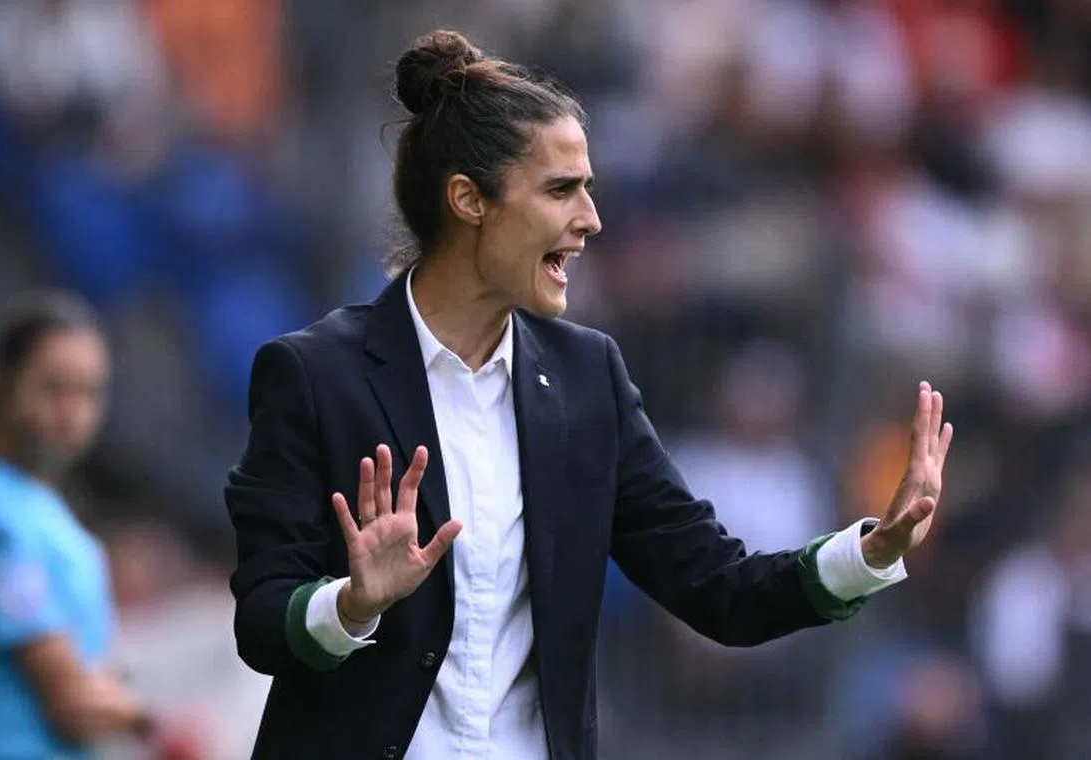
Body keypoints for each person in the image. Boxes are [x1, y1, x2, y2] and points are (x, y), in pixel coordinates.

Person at [225, 30, 955, 760]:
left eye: (588, 188)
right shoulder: (315, 375)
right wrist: (351, 606)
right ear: (468, 200)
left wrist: (868, 552)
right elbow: (262, 620)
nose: (591, 219)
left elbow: (718, 589)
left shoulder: (587, 378)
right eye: (560, 190)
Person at [0, 293, 170, 759]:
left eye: (88, 392)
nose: (72, 412)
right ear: (1, 379)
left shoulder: (39, 506)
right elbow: (74, 703)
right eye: (53, 388)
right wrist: (153, 722)